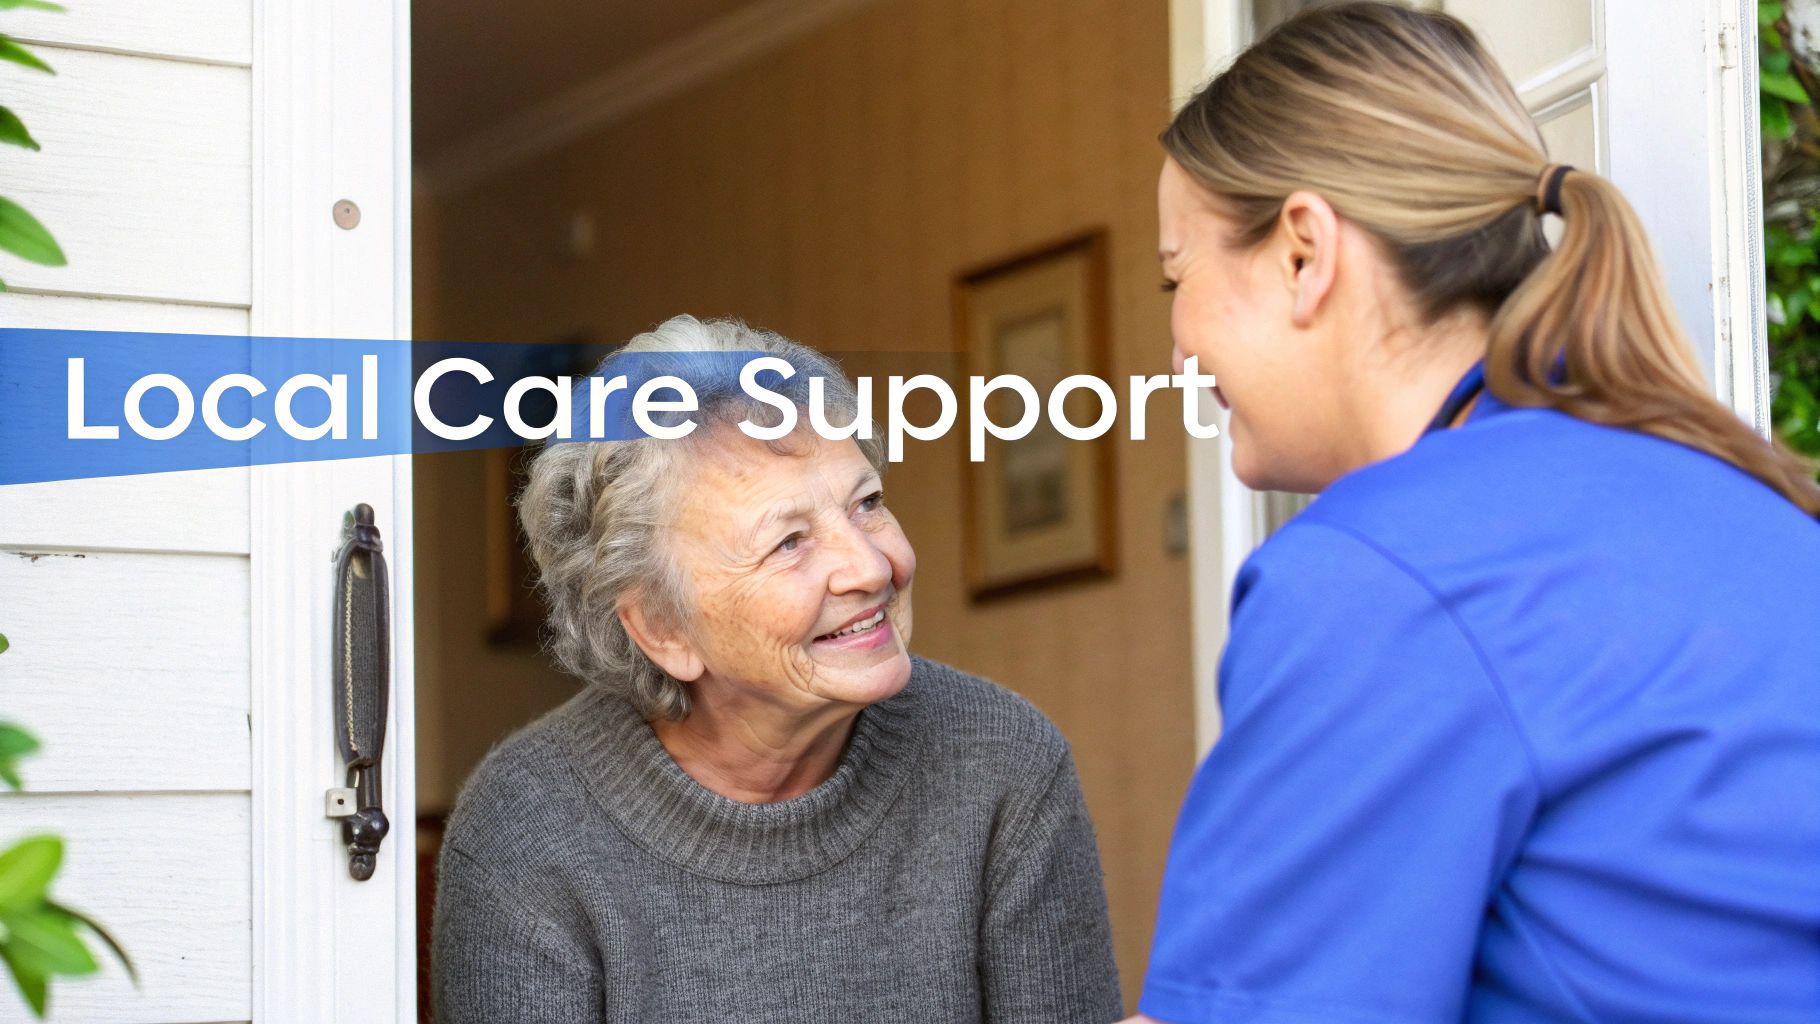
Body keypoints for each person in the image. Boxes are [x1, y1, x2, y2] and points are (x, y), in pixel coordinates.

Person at [1130, 4, 1820, 1022]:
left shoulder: (1377, 572)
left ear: (1301, 253)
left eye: (1174, 278)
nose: (1178, 351)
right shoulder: (1733, 492)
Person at [431, 315, 1120, 1023]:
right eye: (789, 542)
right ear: (662, 628)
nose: (871, 566)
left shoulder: (1003, 763)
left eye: (868, 504)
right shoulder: (528, 830)